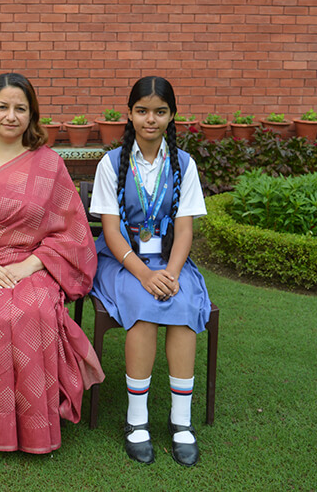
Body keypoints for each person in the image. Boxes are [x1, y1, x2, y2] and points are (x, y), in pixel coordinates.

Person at [0, 72, 105, 454]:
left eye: (20, 109)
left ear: (32, 115)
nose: (11, 116)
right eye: (3, 107)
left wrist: (31, 266)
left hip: (33, 263)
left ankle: (34, 425)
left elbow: (72, 231)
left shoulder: (48, 164)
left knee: (35, 310)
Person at [89, 76, 211, 467]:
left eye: (160, 112)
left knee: (183, 305)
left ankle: (181, 422)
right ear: (130, 113)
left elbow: (186, 228)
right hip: (123, 259)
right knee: (142, 307)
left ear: (172, 115)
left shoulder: (184, 164)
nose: (150, 119)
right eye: (142, 111)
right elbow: (110, 229)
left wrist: (172, 274)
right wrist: (144, 275)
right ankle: (137, 421)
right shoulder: (111, 164)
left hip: (171, 261)